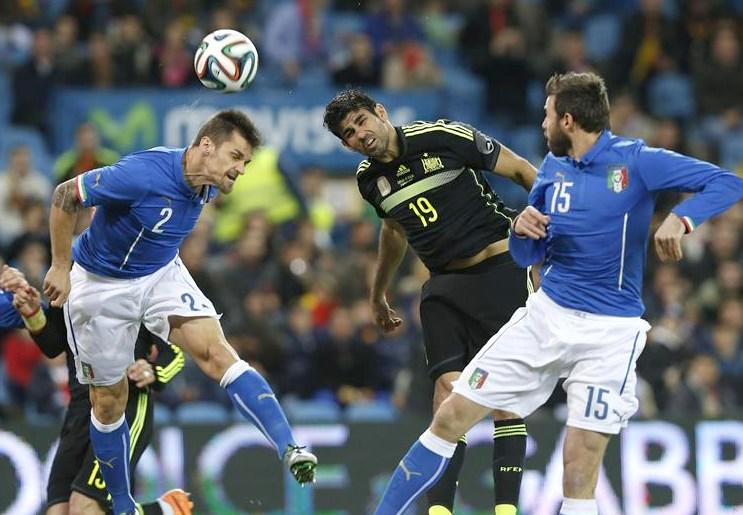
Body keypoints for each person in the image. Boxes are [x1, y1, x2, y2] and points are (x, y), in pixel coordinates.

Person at [369, 71, 743, 515]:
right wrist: (522, 229)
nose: (542, 124)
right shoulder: (552, 169)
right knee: (449, 415)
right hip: (546, 316)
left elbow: (728, 182)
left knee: (579, 467)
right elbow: (529, 254)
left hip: (609, 332)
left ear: (567, 120)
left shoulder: (637, 161)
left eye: (547, 115)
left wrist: (682, 219)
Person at [42, 109, 317, 515]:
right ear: (206, 146)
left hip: (160, 272)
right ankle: (124, 506)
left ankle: (290, 447)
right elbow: (66, 194)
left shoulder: (207, 184)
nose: (241, 169)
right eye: (235, 156)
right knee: (108, 403)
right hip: (98, 286)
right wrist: (59, 266)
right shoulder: (142, 173)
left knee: (217, 353)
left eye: (246, 162)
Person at [323, 89, 537, 515]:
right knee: (446, 394)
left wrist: (560, 222)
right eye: (349, 133)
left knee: (504, 396)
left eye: (362, 121)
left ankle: (506, 510)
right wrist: (378, 293)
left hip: (499, 270)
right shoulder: (369, 181)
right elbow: (394, 231)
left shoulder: (442, 136)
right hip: (443, 284)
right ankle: (439, 510)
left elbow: (520, 169)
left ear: (381, 112)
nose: (360, 134)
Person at [0, 266, 192, 515]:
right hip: (80, 410)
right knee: (58, 511)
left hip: (124, 406)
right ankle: (163, 511)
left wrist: (153, 371)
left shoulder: (137, 284)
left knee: (84, 508)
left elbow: (175, 353)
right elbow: (53, 345)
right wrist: (33, 313)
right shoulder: (68, 282)